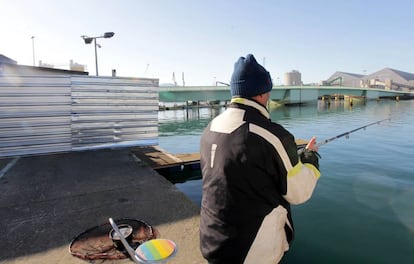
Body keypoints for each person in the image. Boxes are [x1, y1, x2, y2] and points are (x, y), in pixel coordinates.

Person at [199, 54, 321, 264]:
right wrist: (310, 158)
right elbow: (299, 191)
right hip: (251, 250)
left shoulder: (211, 128)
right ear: (264, 93)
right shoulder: (271, 135)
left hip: (212, 241)